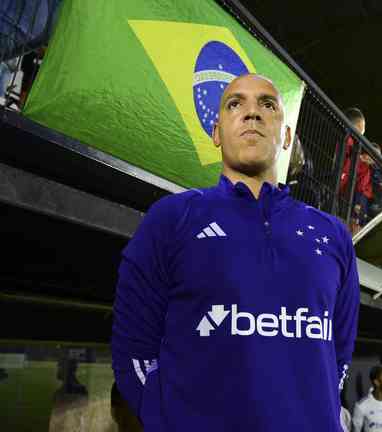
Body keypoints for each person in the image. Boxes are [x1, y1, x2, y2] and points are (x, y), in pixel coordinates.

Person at [111, 74, 360, 431]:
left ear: (287, 136)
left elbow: (339, 353)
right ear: (216, 133)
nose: (252, 113)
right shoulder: (170, 219)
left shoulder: (333, 235)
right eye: (235, 104)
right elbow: (133, 348)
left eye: (268, 105)